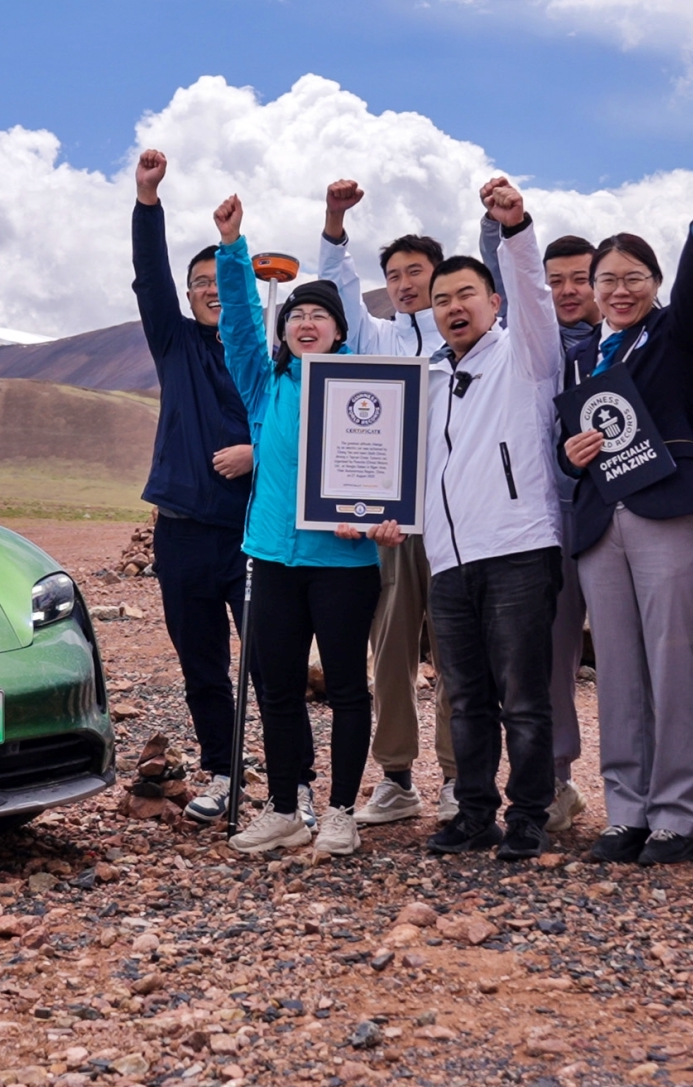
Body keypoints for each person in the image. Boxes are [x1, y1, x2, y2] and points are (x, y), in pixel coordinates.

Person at [211, 192, 403, 857]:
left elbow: (389, 477)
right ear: (286, 330)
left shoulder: (368, 395)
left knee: (349, 687)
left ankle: (343, 809)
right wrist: (233, 248)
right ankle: (286, 807)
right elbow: (238, 321)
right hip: (271, 557)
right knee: (279, 687)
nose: (307, 322)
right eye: (298, 314)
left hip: (345, 565)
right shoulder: (267, 387)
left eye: (320, 315)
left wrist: (384, 517)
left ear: (341, 331)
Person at [129, 149, 310, 824]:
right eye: (199, 280)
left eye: (218, 279)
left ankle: (299, 784)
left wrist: (254, 454)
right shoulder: (172, 345)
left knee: (270, 665)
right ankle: (223, 774)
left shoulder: (266, 359)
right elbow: (148, 277)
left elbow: (296, 440)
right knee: (203, 668)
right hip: (180, 531)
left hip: (251, 535)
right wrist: (149, 201)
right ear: (188, 293)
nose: (210, 288)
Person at [559, 173, 693, 866]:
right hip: (601, 523)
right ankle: (626, 811)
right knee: (620, 672)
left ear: (653, 282)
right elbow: (564, 446)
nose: (618, 290)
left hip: (665, 513)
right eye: (607, 280)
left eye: (633, 278)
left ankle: (676, 816)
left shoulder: (676, 335)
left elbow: (692, 297)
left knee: (670, 662)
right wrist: (571, 457)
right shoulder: (582, 359)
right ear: (592, 289)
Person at [417, 177, 566, 861]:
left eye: (466, 295)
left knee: (524, 698)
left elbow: (536, 297)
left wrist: (516, 229)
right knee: (465, 698)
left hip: (518, 548)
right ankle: (474, 814)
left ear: (494, 302)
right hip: (448, 560)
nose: (453, 307)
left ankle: (530, 815)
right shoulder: (428, 380)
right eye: (440, 299)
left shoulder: (528, 356)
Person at [317, 180, 459, 827]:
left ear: (441, 276)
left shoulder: (472, 336)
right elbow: (340, 290)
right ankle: (398, 777)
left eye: (416, 272)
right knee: (392, 650)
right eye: (395, 274)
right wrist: (336, 222)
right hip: (394, 525)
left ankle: (461, 776)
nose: (404, 284)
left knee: (459, 650)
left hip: (460, 519)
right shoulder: (375, 338)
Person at [480, 226, 605, 835]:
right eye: (554, 280)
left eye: (581, 277)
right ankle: (557, 780)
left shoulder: (623, 344)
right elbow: (502, 281)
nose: (567, 290)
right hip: (546, 523)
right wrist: (497, 229)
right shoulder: (530, 345)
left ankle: (644, 798)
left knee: (628, 659)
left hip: (615, 519)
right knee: (548, 661)